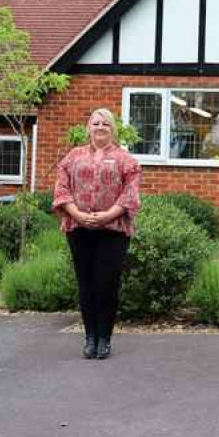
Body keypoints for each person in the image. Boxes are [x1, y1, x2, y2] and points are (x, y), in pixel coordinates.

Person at [53, 109, 142, 360]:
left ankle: (105, 338)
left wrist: (107, 216)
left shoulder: (126, 160)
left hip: (113, 230)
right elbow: (61, 189)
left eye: (105, 123)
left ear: (112, 129)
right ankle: (90, 337)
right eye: (95, 123)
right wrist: (77, 214)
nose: (100, 127)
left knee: (107, 285)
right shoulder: (73, 157)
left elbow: (130, 194)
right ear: (88, 128)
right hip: (78, 228)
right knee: (86, 284)